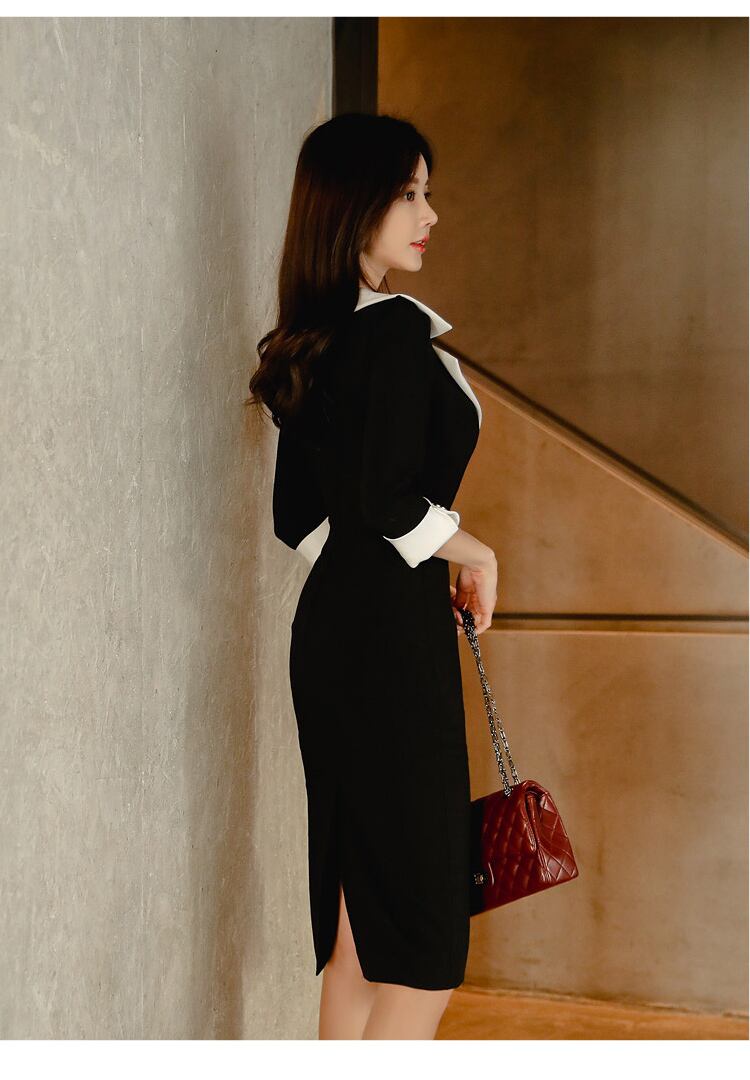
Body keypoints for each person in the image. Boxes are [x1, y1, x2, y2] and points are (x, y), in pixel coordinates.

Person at [247, 113, 497, 1040]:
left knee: (359, 930)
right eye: (409, 193)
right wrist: (471, 552)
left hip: (331, 640)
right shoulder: (388, 332)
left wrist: (386, 564)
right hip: (390, 646)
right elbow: (386, 504)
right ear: (354, 206)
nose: (429, 213)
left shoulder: (313, 339)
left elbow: (302, 518)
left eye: (427, 192)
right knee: (425, 945)